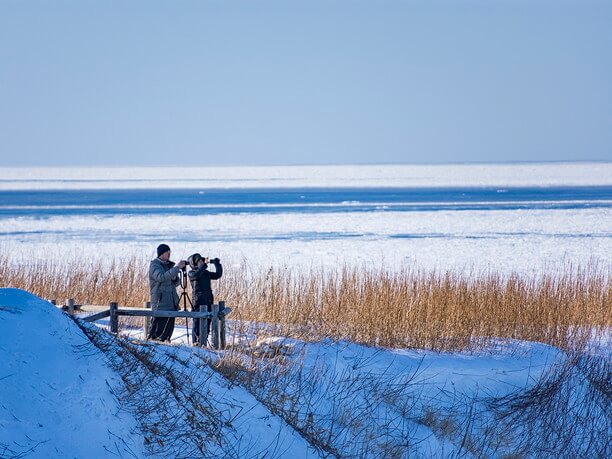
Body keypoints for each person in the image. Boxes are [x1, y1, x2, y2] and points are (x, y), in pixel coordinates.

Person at [148, 244, 186, 341]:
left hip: (171, 302)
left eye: (170, 252)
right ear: (161, 253)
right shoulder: (154, 265)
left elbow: (176, 283)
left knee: (168, 329)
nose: (169, 254)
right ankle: (153, 344)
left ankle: (166, 343)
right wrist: (176, 268)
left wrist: (176, 274)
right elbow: (161, 277)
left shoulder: (168, 265)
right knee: (158, 329)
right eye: (167, 252)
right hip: (160, 303)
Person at [187, 253, 223, 345]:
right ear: (194, 264)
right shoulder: (192, 273)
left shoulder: (205, 273)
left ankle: (203, 343)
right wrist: (204, 265)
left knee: (207, 323)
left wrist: (217, 264)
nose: (201, 262)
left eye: (201, 260)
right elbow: (197, 275)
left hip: (208, 300)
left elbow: (217, 275)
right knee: (197, 324)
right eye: (199, 261)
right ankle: (196, 343)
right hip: (198, 302)